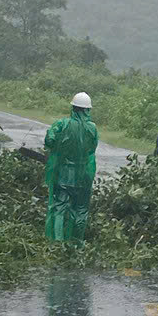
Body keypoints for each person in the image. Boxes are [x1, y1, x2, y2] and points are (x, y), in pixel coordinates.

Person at [44, 92, 99, 244]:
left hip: (63, 175)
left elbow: (49, 141)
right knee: (80, 210)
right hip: (83, 178)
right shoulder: (92, 128)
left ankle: (57, 243)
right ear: (87, 110)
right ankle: (76, 244)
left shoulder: (62, 124)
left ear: (73, 108)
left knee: (59, 208)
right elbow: (91, 150)